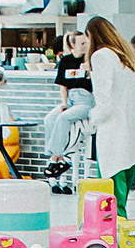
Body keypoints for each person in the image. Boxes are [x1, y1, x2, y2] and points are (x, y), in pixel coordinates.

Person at [84, 15, 135, 210]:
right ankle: (124, 238)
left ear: (92, 36)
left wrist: (91, 119)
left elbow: (104, 104)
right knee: (122, 199)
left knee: (112, 203)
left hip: (113, 136)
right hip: (134, 138)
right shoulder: (127, 59)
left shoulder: (101, 56)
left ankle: (113, 239)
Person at [40, 31, 96, 181]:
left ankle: (55, 158)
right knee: (50, 118)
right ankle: (55, 157)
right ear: (73, 45)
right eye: (82, 43)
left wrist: (90, 71)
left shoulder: (91, 59)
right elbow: (63, 86)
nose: (85, 46)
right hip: (70, 98)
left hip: (86, 100)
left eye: (86, 43)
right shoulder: (65, 61)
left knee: (64, 118)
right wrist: (64, 103)